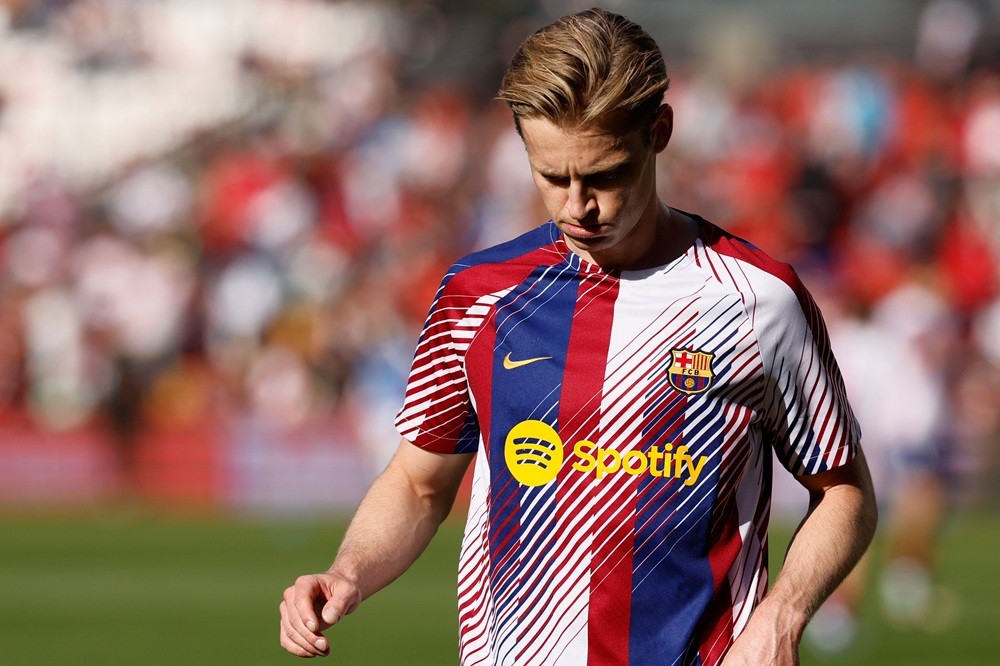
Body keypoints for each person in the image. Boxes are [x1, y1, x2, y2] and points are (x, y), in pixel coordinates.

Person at [279, 8, 877, 665]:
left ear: (661, 132)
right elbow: (419, 483)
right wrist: (348, 574)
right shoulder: (478, 296)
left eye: (604, 176)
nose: (576, 206)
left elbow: (844, 492)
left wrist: (780, 619)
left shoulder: (758, 301)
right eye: (551, 177)